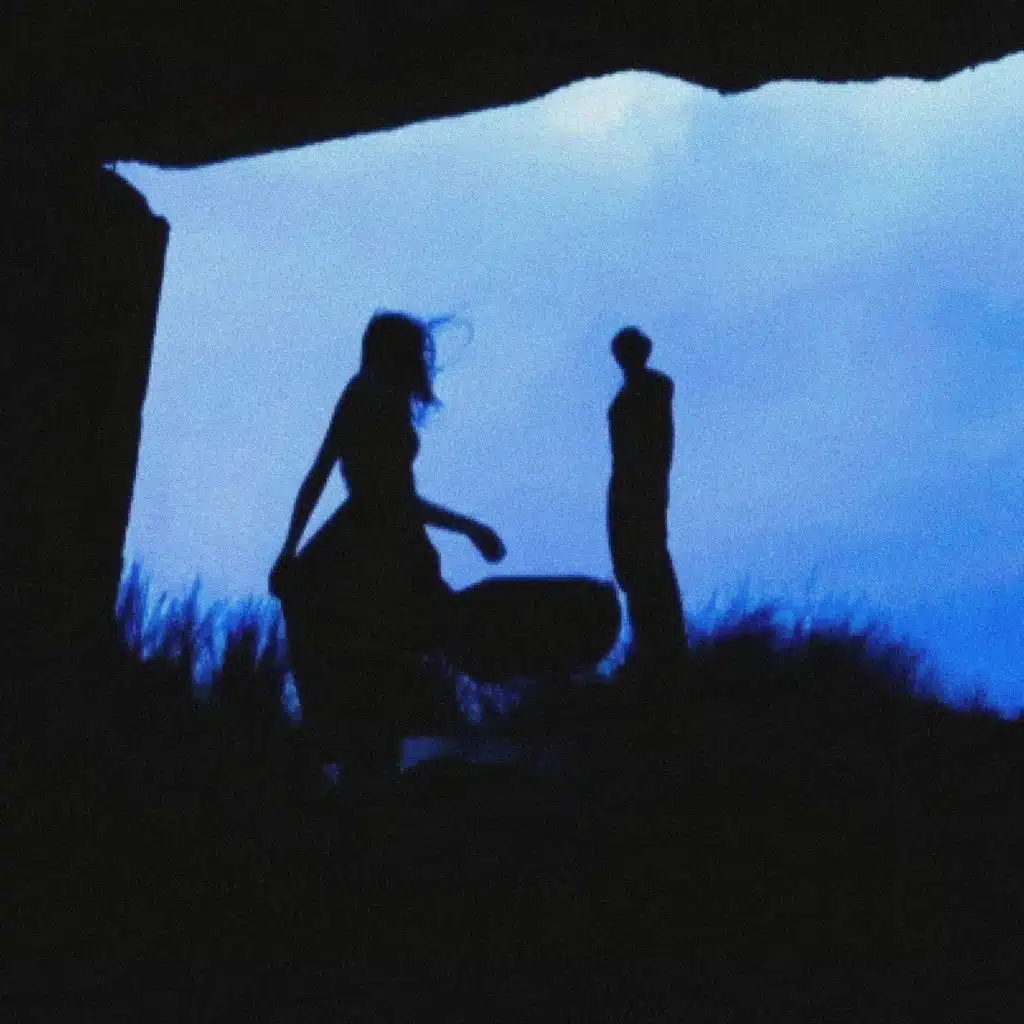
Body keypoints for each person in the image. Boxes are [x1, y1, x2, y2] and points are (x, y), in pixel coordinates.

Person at [269, 311, 506, 784]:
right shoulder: (373, 395)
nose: (421, 362)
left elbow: (329, 476)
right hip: (377, 544)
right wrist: (468, 527)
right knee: (382, 661)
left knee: (377, 662)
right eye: (414, 352)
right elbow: (379, 493)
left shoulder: (366, 392)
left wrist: (291, 549)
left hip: (375, 537)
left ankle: (356, 761)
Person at [607, 327, 687, 681]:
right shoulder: (630, 392)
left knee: (648, 561)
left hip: (643, 487)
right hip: (626, 486)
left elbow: (654, 447)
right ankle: (650, 646)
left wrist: (642, 486)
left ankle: (663, 648)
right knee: (632, 565)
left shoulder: (653, 388)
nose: (622, 358)